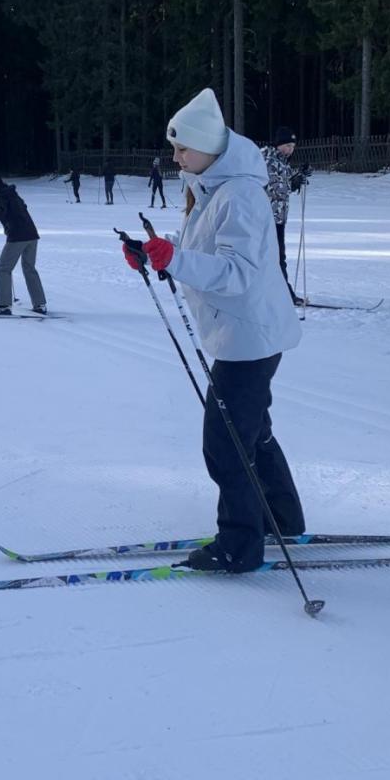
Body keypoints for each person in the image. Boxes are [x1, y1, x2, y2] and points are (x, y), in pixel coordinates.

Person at [122, 88, 305, 573]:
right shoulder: (213, 187)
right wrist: (157, 251)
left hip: (249, 337)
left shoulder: (240, 195)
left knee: (226, 443)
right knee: (252, 432)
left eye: (183, 148)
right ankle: (282, 518)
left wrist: (176, 260)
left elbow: (236, 272)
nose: (176, 157)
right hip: (245, 333)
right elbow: (200, 246)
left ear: (208, 146)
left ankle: (239, 546)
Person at [0, 167, 47, 315]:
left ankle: (3, 306)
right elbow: (21, 209)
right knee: (29, 269)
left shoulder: (0, 196)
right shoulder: (11, 193)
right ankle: (40, 304)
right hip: (32, 235)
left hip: (18, 237)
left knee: (4, 268)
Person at [260, 126, 309, 304]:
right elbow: (273, 187)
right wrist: (292, 183)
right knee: (276, 257)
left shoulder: (281, 161)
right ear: (278, 144)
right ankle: (284, 294)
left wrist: (298, 177)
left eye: (293, 146)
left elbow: (284, 183)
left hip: (278, 217)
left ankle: (276, 292)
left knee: (276, 256)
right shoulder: (268, 160)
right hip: (266, 218)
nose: (290, 150)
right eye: (287, 145)